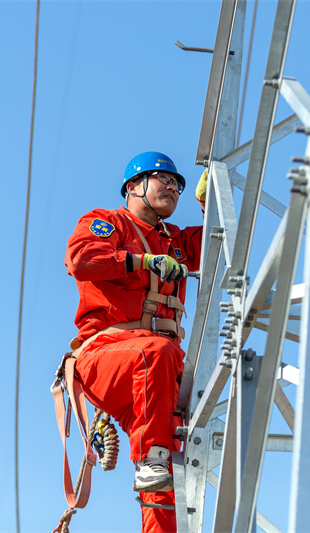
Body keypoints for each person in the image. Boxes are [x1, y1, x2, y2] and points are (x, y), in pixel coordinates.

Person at [64, 151, 205, 532]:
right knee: (156, 352)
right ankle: (150, 457)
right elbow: (81, 258)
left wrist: (210, 201)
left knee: (167, 475)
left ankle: (155, 472)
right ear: (134, 186)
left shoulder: (175, 241)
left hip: (157, 375)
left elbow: (221, 240)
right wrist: (141, 261)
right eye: (164, 179)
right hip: (106, 356)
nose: (173, 189)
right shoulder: (108, 223)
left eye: (178, 185)